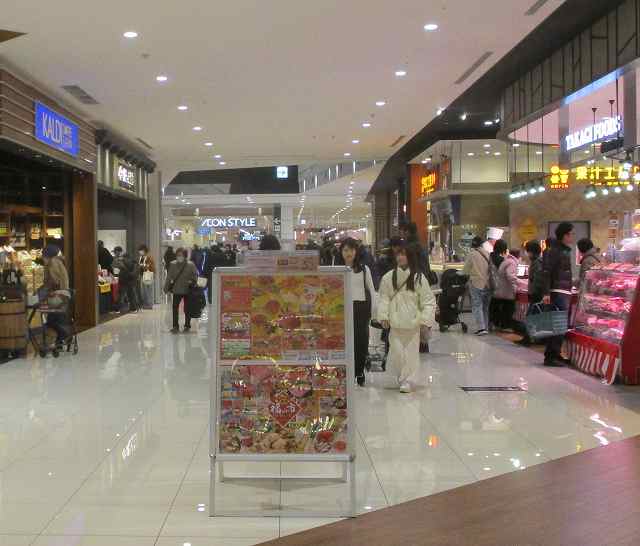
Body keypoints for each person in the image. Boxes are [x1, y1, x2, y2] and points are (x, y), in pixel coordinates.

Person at [377, 243, 436, 393]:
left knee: (411, 354)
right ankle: (401, 377)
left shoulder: (418, 277)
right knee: (396, 353)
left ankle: (408, 380)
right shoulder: (388, 277)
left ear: (410, 257)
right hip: (395, 324)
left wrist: (425, 320)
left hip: (413, 324)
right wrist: (383, 316)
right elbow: (383, 298)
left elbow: (428, 301)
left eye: (403, 254)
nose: (400, 257)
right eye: (398, 254)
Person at [335, 238, 376, 386]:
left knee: (361, 341)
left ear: (356, 251)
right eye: (345, 250)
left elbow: (371, 290)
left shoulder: (364, 269)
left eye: (351, 250)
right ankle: (347, 371)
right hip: (343, 309)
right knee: (345, 342)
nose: (349, 253)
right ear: (341, 252)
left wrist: (374, 312)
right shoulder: (337, 269)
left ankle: (359, 371)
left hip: (361, 308)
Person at [542, 222, 575, 367]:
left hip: (563, 291)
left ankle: (554, 353)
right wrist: (546, 292)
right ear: (564, 235)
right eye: (571, 234)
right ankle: (551, 357)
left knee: (559, 325)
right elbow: (546, 272)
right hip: (558, 292)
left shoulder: (564, 250)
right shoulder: (555, 251)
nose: (572, 237)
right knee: (559, 325)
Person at [164, 247, 198, 333]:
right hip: (177, 289)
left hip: (188, 290)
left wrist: (192, 281)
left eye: (181, 255)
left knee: (187, 308)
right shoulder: (172, 264)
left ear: (185, 256)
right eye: (178, 255)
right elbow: (169, 277)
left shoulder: (191, 265)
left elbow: (195, 276)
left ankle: (187, 325)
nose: (179, 257)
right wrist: (165, 288)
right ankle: (175, 326)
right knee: (175, 308)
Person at [462, 236, 492, 336]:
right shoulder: (487, 253)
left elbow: (465, 270)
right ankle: (485, 327)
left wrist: (461, 273)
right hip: (488, 284)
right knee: (485, 307)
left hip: (476, 283)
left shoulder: (472, 254)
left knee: (477, 305)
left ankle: (481, 328)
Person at [516, 241, 544, 346]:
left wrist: (534, 292)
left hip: (536, 295)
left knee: (531, 317)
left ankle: (528, 339)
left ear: (532, 252)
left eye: (527, 251)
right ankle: (535, 339)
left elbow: (537, 280)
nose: (526, 254)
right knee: (535, 317)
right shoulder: (537, 262)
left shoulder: (537, 263)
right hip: (536, 294)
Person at [41, 245, 70, 345]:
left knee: (50, 320)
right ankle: (61, 339)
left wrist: (44, 290)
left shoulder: (53, 263)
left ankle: (64, 334)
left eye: (43, 255)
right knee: (53, 319)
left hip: (58, 296)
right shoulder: (57, 261)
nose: (42, 258)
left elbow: (55, 281)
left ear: (48, 256)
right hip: (63, 295)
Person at [491, 240, 518, 331]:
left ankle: (493, 323)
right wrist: (516, 284)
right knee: (507, 307)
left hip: (492, 286)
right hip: (504, 288)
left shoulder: (490, 256)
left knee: (494, 307)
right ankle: (505, 325)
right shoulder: (505, 261)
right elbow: (509, 275)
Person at [113, 246, 139, 313]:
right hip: (130, 280)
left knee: (121, 295)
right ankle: (133, 308)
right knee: (131, 295)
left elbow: (115, 266)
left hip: (123, 280)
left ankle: (117, 309)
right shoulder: (134, 262)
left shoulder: (121, 261)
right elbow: (134, 273)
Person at [137, 244, 156, 310]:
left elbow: (151, 266)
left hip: (148, 275)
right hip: (142, 275)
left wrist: (143, 266)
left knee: (148, 290)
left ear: (144, 250)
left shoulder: (149, 257)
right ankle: (145, 304)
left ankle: (149, 304)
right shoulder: (141, 257)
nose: (140, 252)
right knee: (143, 291)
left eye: (141, 250)